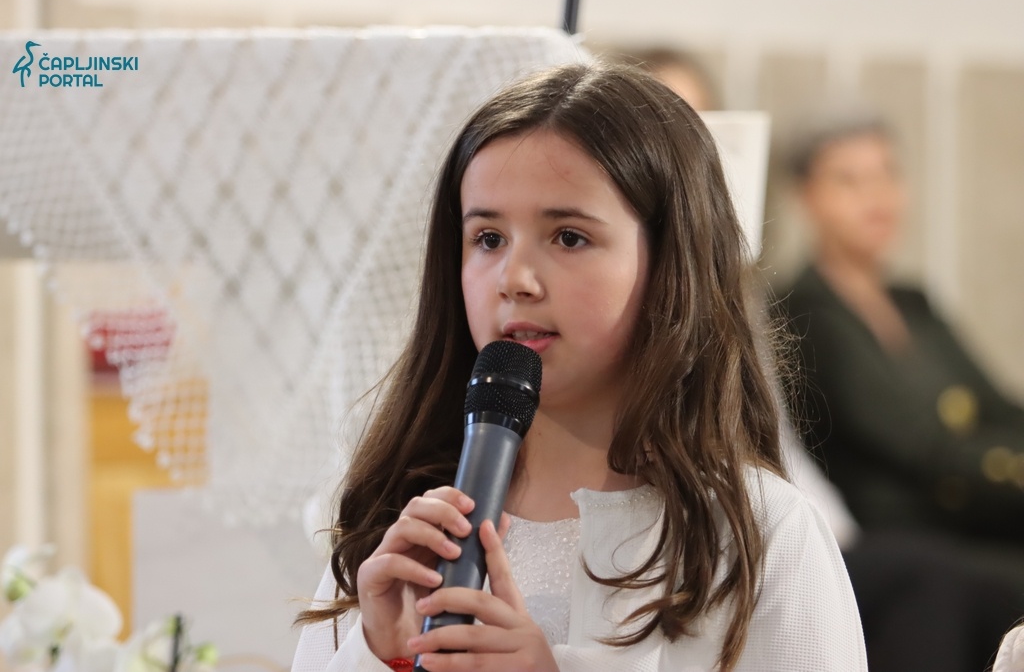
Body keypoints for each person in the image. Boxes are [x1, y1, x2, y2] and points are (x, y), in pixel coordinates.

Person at [291, 61, 866, 672]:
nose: (515, 278)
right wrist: (380, 655)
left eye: (568, 237)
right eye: (488, 238)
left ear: (671, 264)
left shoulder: (758, 531)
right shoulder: (400, 520)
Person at [779, 115, 1024, 670]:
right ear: (806, 197)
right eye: (849, 180)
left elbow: (998, 408)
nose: (876, 197)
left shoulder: (913, 303)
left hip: (975, 521)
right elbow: (922, 448)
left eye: (887, 174)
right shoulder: (803, 313)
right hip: (903, 538)